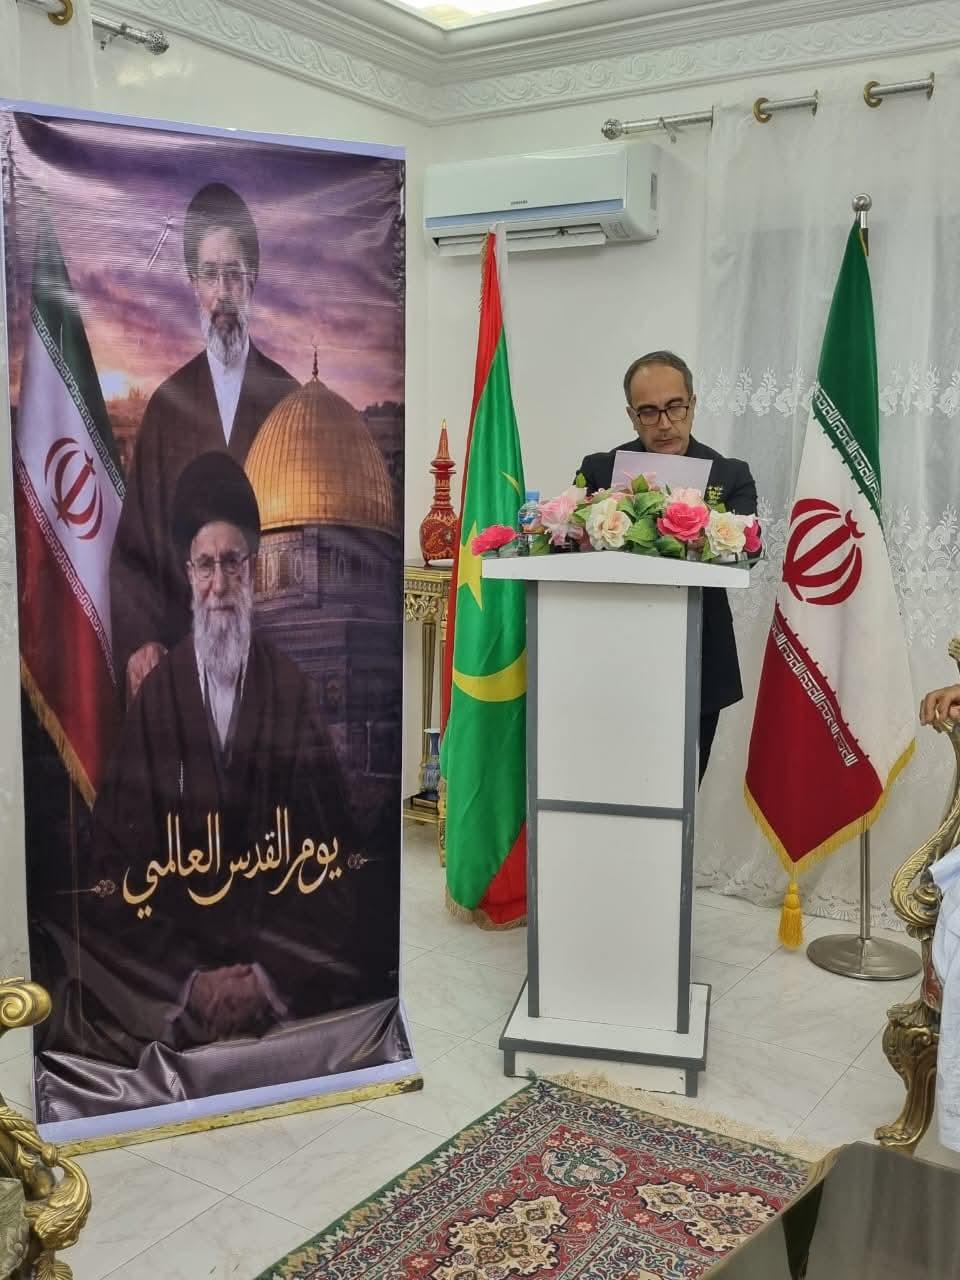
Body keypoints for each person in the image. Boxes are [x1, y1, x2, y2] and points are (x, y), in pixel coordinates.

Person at [89, 453, 371, 1053]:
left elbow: (331, 859)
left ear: (254, 569)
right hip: (178, 994)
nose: (219, 586)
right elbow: (117, 870)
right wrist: (191, 985)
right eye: (206, 565)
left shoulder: (290, 690)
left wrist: (266, 980)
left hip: (279, 990)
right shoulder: (156, 702)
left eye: (233, 563)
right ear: (188, 573)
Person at [110, 182, 299, 703]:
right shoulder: (167, 408)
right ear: (193, 283)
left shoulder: (290, 402)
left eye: (233, 273)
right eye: (210, 274)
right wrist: (142, 641)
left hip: (273, 663)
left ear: (253, 280)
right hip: (182, 668)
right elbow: (134, 551)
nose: (223, 292)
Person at [577, 350, 758, 781]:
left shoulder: (729, 475)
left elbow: (747, 553)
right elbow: (571, 549)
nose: (664, 423)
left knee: (681, 797)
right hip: (612, 661)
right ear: (631, 416)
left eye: (675, 407)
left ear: (693, 405)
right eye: (648, 411)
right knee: (609, 788)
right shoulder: (601, 472)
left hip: (700, 662)